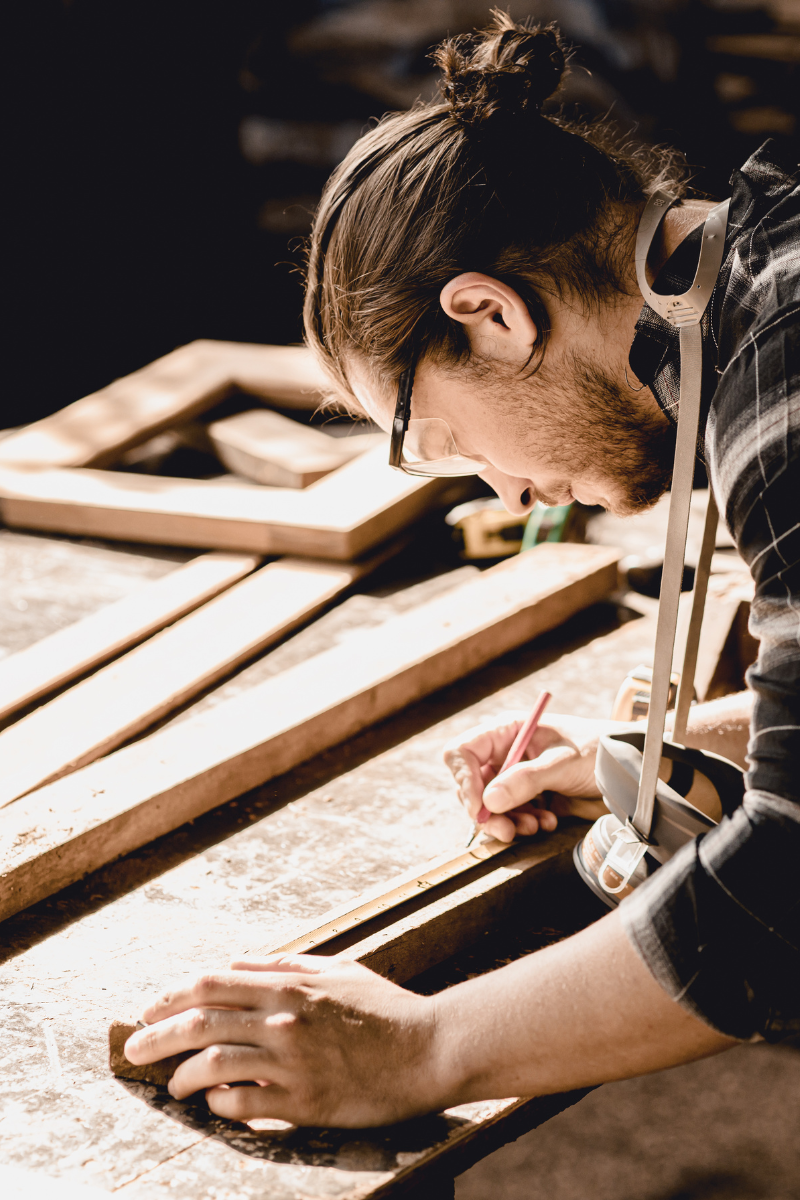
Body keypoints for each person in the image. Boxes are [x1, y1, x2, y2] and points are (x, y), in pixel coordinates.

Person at [124, 13, 800, 1127]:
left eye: (445, 442)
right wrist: (695, 741)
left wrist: (416, 1048)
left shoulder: (782, 394)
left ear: (488, 315)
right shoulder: (758, 273)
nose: (509, 493)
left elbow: (783, 889)